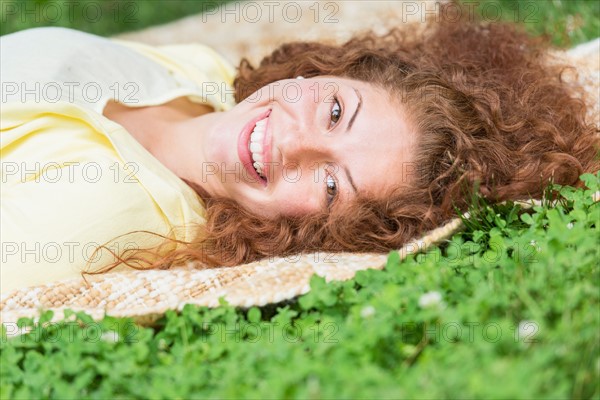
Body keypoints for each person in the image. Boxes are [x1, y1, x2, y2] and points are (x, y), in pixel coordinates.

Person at [1, 6, 598, 292]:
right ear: (325, 71)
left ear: (317, 237)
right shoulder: (203, 77)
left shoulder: (103, 216)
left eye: (332, 184)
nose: (292, 142)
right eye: (336, 111)